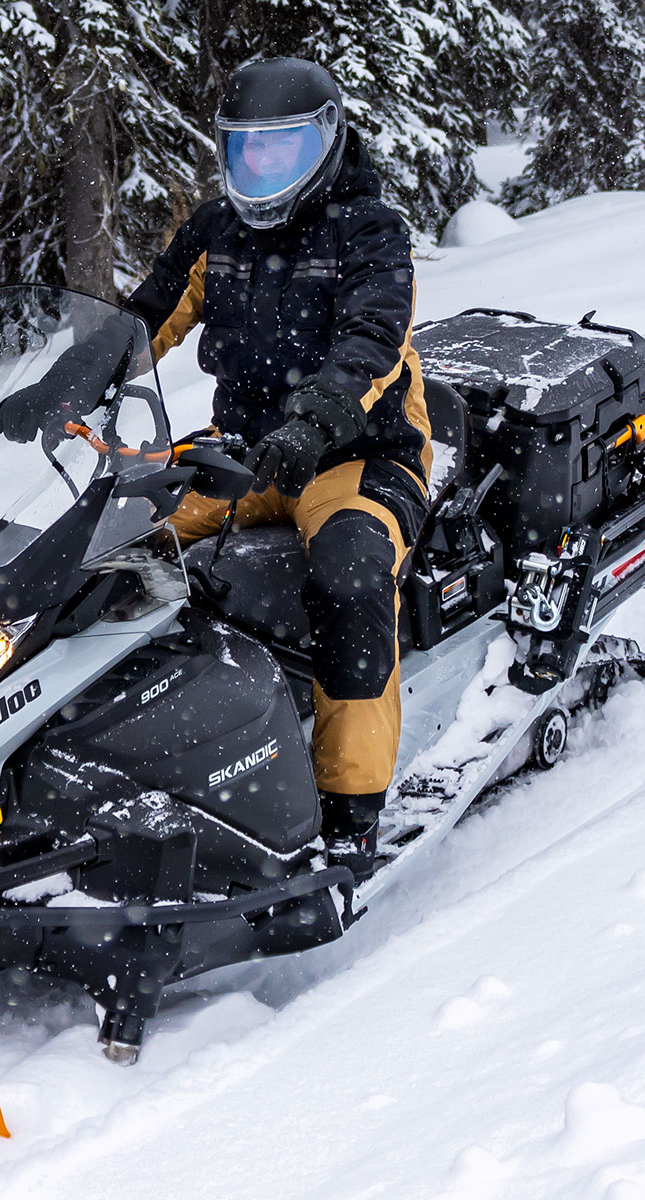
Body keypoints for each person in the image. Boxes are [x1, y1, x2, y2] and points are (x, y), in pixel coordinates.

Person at [122, 57, 436, 861]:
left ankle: (351, 808)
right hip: (248, 456)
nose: (261, 169)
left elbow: (371, 340)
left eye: (283, 150)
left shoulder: (367, 232)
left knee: (349, 576)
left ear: (327, 143)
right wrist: (60, 385)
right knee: (117, 541)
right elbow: (142, 320)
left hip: (354, 456)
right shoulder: (214, 232)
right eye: (245, 151)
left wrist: (311, 421)